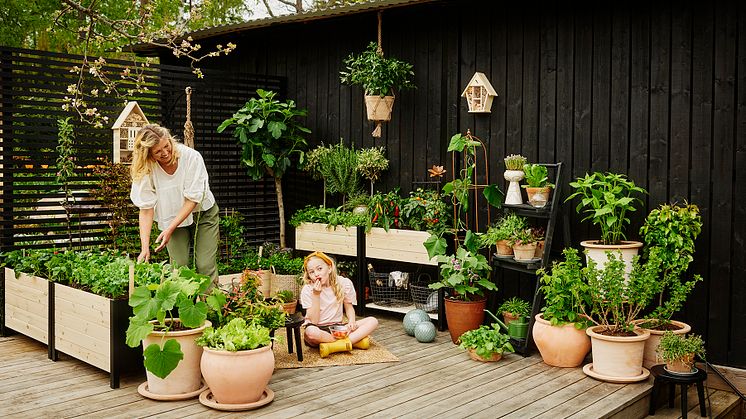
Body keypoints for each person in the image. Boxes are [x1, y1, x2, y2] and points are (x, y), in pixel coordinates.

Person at [129, 124, 219, 283]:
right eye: (158, 151)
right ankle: (181, 307)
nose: (165, 153)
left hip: (203, 215)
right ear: (148, 155)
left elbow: (192, 199)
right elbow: (146, 209)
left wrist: (169, 229)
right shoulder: (147, 169)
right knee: (178, 268)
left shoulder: (191, 156)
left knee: (205, 265)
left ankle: (209, 307)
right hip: (172, 217)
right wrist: (145, 247)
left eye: (166, 146)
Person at [301, 251, 378, 357]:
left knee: (372, 321)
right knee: (310, 333)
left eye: (319, 269)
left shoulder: (343, 283)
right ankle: (349, 342)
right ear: (309, 275)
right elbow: (313, 321)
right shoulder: (308, 289)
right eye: (311, 272)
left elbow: (349, 308)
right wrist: (316, 295)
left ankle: (333, 346)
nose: (316, 274)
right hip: (318, 329)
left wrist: (351, 321)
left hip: (337, 328)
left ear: (329, 268)